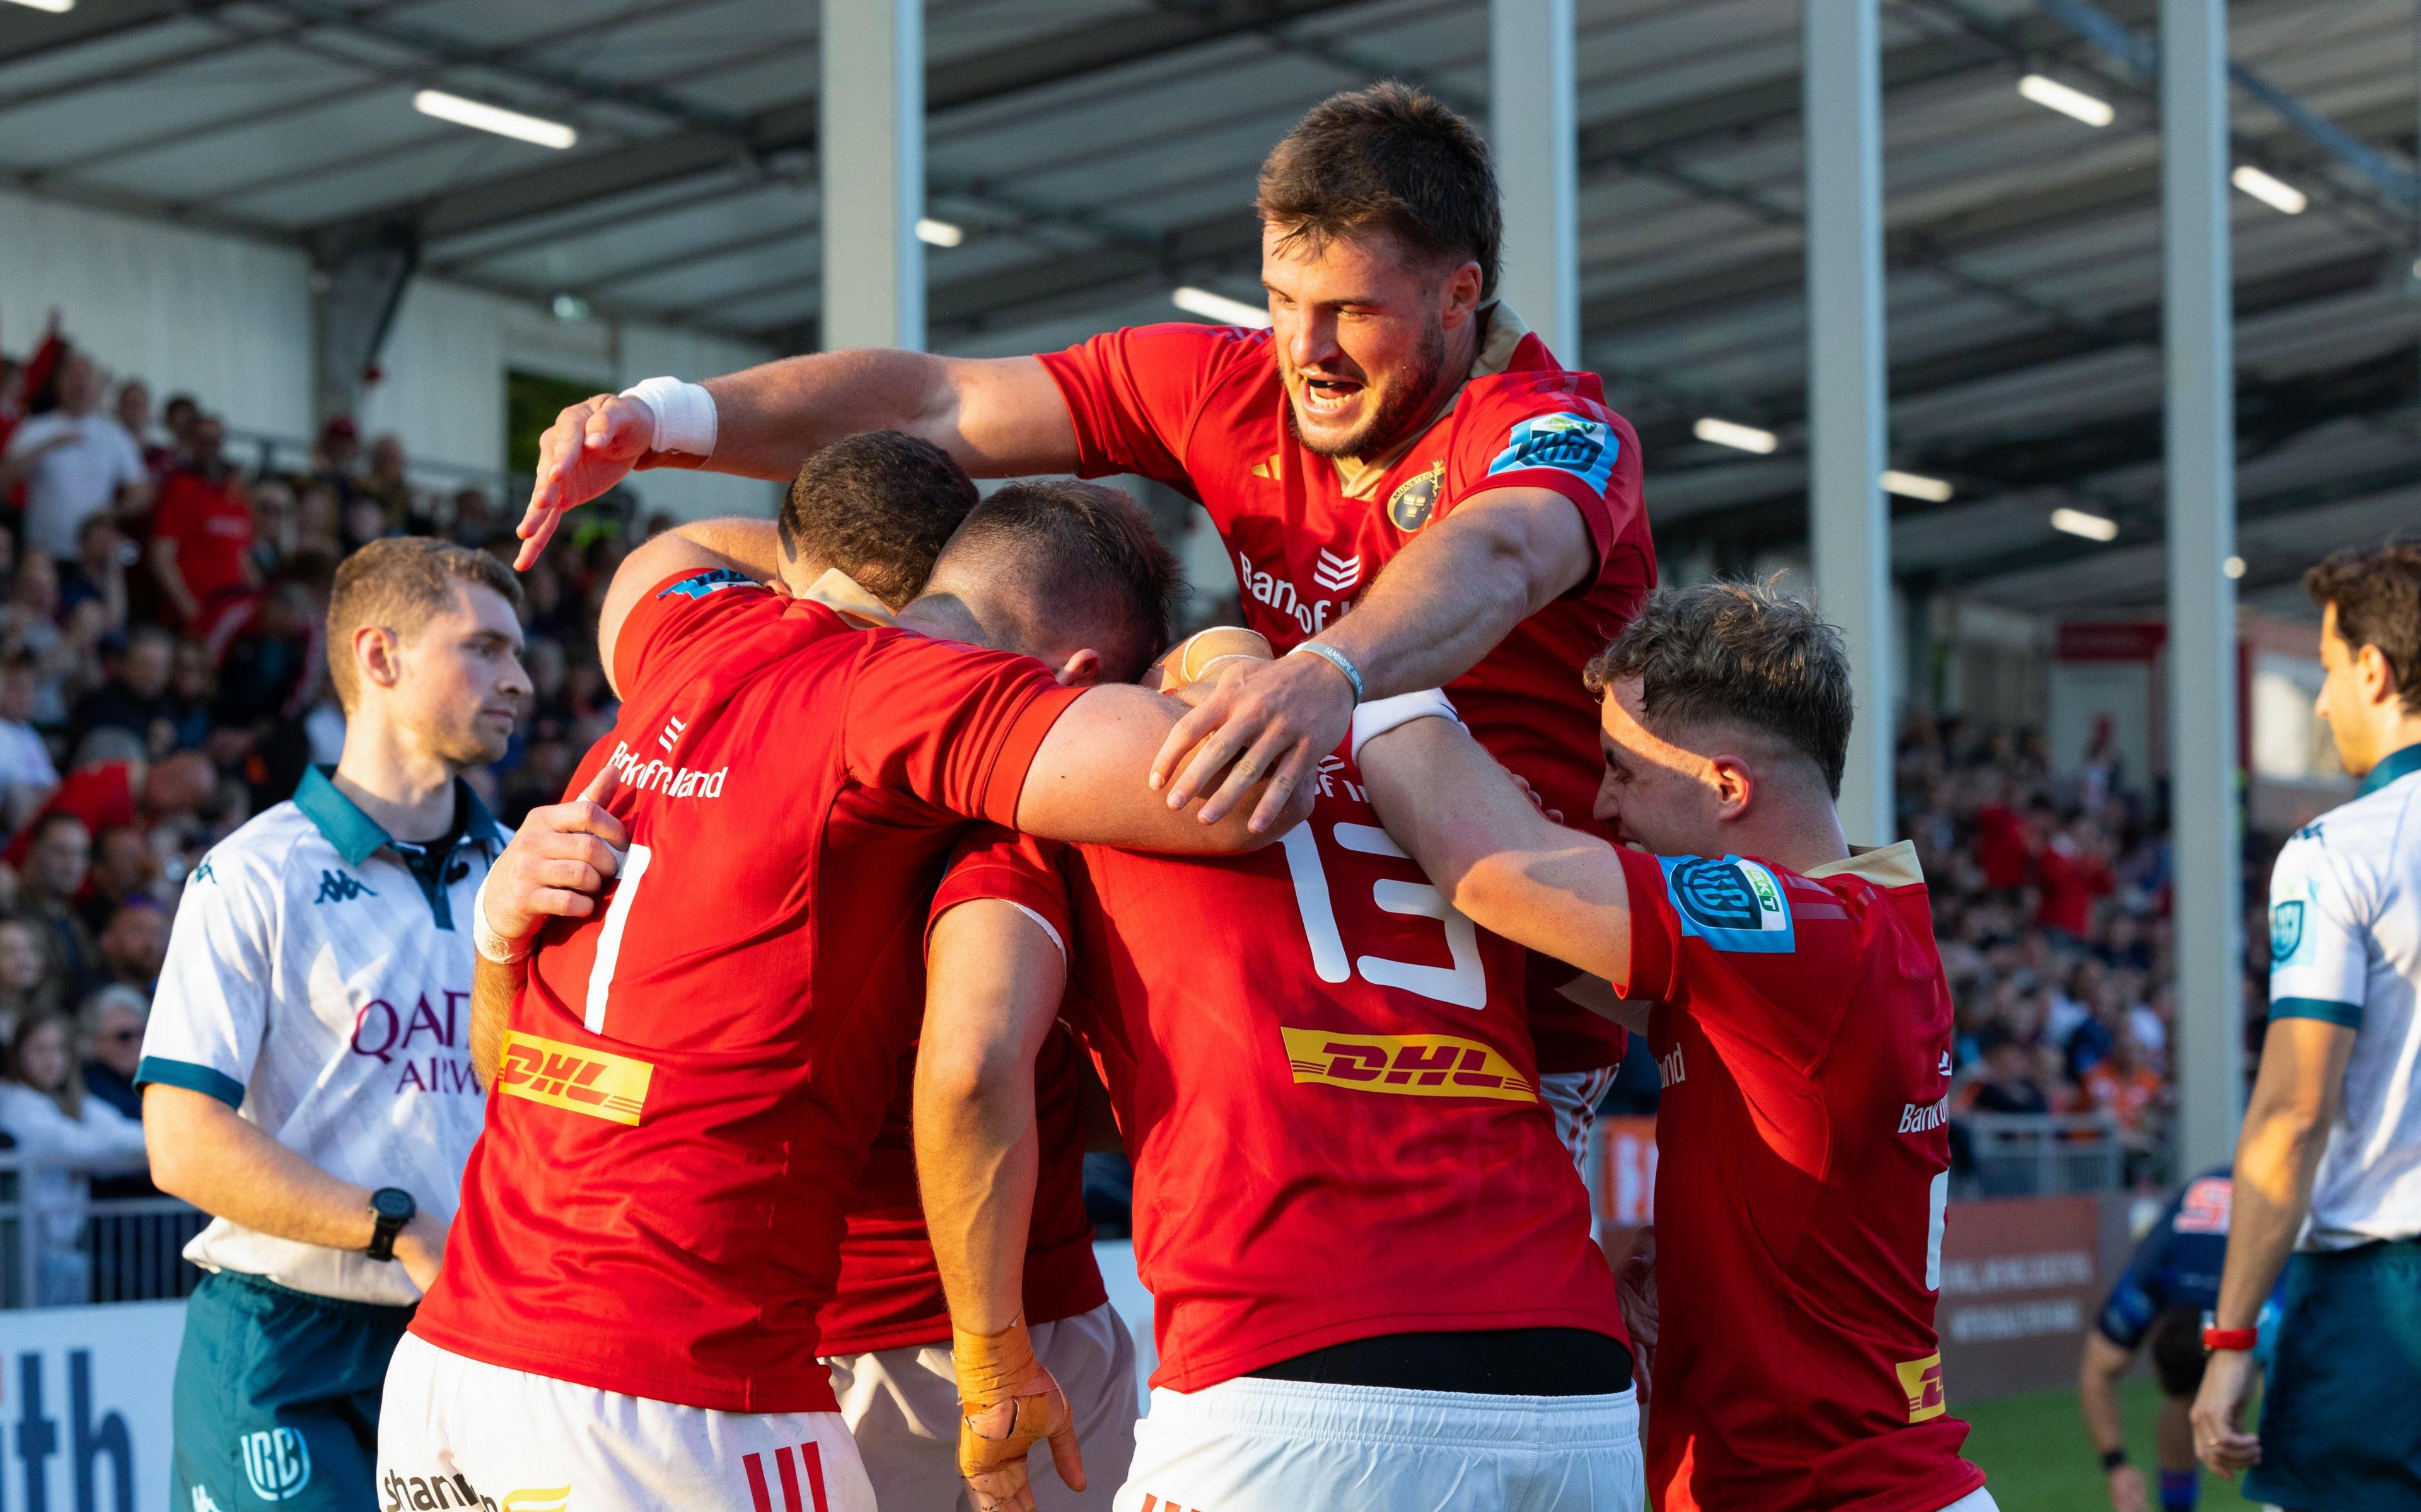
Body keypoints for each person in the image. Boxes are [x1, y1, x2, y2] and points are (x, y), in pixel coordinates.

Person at [514, 81, 1652, 1131]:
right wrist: (667, 417)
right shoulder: (1226, 381)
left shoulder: (1555, 429)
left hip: (1510, 1019)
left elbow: (1501, 548)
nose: (1304, 350)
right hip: (1303, 993)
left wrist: (1330, 670)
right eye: (1280, 299)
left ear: (1461, 293)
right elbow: (938, 398)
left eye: (1351, 310)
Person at [385, 484, 1306, 1512]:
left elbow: (505, 1067)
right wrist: (1229, 655)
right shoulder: (951, 738)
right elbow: (1243, 790)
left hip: (461, 1356)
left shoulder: (691, 635)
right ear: (1083, 679)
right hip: (751, 1370)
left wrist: (497, 936)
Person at [915, 633, 1638, 1512]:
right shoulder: (1433, 763)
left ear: (1085, 674)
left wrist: (992, 1360)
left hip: (1290, 1368)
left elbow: (973, 1065)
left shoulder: (1066, 782)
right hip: (1575, 1380)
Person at [1350, 580, 1991, 1512]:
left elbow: (1496, 872)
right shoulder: (1854, 932)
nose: (1602, 802)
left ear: (1728, 787)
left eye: (1621, 768)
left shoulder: (1808, 935)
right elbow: (1530, 950)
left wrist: (1362, 670)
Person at [136, 538, 530, 1512]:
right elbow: (180, 1142)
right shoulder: (253, 871)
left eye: (520, 653)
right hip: (285, 1342)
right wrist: (393, 1227)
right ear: (379, 655)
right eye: (483, 648)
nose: (518, 679)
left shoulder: (529, 868)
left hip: (471, 1339)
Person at [2192, 542, 2421, 1508]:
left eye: (2327, 671)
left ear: (2374, 669)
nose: (2323, 704)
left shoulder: (2341, 852)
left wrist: (2231, 1338)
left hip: (2384, 1305)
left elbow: (2293, 1112)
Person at [2080, 1167, 2231, 1512]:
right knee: (2183, 1400)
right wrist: (2116, 1466)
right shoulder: (2148, 1282)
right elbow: (2097, 1370)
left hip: (2278, 1209)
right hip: (2199, 1248)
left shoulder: (2264, 1297)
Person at [0, 1010, 149, 1304]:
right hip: (22, 1254)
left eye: (59, 1049)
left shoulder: (73, 1102)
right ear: (19, 1055)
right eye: (40, 1049)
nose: (52, 1059)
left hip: (66, 1251)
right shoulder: (12, 1102)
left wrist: (169, 1141)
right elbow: (75, 1145)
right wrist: (129, 1147)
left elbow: (120, 1131)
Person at [0, 352, 153, 564]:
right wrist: (46, 447)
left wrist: (113, 512)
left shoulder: (114, 435)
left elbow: (141, 491)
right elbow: (5, 478)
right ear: (59, 383)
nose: (79, 385)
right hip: (41, 555)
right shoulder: (35, 428)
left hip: (93, 557)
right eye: (72, 378)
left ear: (97, 387)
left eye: (85, 379)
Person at [79, 982, 150, 1121]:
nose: (137, 1044)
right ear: (96, 1041)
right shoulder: (89, 1089)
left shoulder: (149, 1081)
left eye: (142, 1033)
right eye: (124, 1036)